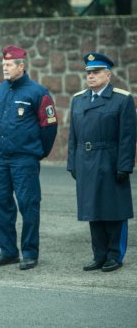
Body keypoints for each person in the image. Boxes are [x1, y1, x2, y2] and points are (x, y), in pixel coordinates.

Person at [0, 46, 58, 270]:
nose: (5, 68)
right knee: (0, 205)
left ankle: (29, 253)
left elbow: (49, 127)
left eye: (9, 65)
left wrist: (38, 152)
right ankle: (8, 252)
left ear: (21, 66)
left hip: (24, 159)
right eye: (3, 65)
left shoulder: (38, 92)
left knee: (28, 205)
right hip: (0, 159)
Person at [67, 52, 136, 273]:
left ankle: (115, 255)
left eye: (96, 72)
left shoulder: (122, 99)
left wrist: (124, 165)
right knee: (92, 211)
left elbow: (128, 137)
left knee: (114, 210)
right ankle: (99, 255)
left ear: (108, 74)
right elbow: (73, 136)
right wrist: (72, 163)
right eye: (88, 72)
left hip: (109, 159)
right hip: (85, 160)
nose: (91, 76)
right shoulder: (78, 99)